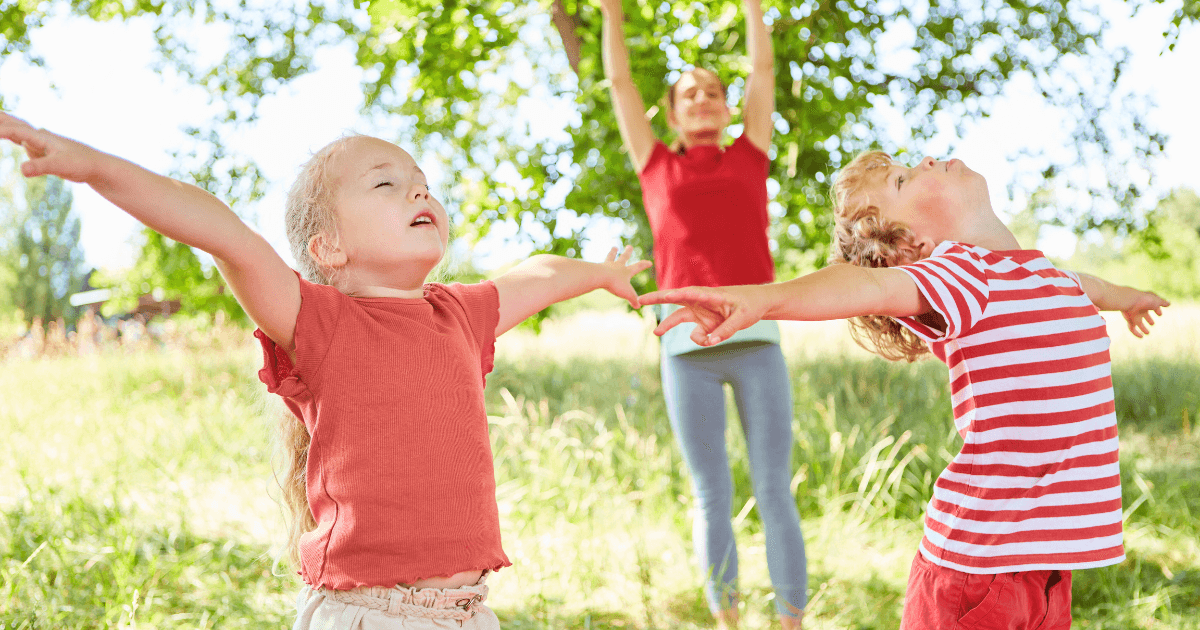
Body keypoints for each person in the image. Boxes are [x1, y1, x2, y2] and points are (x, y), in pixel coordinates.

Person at [0, 111, 651, 629]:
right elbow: (221, 232)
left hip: (468, 613)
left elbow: (538, 273)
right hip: (368, 616)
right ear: (328, 246)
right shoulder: (323, 323)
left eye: (420, 179)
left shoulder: (461, 313)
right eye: (385, 182)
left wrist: (602, 273)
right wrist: (91, 167)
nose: (419, 188)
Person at [640, 151, 1170, 629]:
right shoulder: (964, 276)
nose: (927, 159)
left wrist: (1131, 298)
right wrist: (761, 300)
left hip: (1046, 571)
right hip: (975, 574)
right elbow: (867, 286)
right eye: (901, 179)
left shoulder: (1050, 278)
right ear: (913, 243)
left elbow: (1093, 289)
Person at [598, 1, 807, 627]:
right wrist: (612, 12)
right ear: (672, 110)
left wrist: (752, 9)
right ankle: (728, 619)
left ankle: (793, 619)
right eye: (690, 93)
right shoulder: (655, 165)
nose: (704, 99)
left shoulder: (750, 155)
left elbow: (764, 75)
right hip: (685, 350)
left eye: (715, 91)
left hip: (757, 342)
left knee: (774, 490)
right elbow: (620, 82)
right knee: (711, 495)